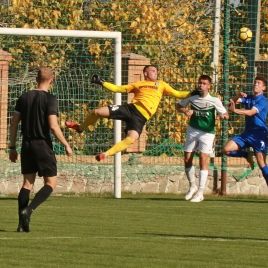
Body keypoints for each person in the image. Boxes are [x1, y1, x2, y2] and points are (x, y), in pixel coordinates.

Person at [66, 65, 196, 161]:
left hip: (141, 118)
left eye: (156, 71)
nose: (155, 72)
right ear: (145, 73)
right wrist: (101, 82)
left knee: (131, 139)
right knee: (97, 112)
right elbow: (119, 88)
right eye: (152, 70)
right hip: (130, 109)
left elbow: (178, 94)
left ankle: (105, 154)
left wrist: (192, 93)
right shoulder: (138, 84)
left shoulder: (161, 84)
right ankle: (80, 128)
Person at [9, 67, 73, 232]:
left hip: (27, 145)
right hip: (42, 145)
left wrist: (12, 147)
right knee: (50, 183)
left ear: (36, 79)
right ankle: (28, 211)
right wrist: (66, 144)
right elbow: (53, 125)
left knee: (27, 184)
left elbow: (14, 122)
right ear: (52, 80)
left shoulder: (24, 97)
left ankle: (21, 225)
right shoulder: (50, 99)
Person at [177, 75, 228, 202]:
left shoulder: (215, 100)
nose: (201, 85)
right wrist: (185, 111)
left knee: (203, 158)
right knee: (187, 158)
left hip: (207, 133)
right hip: (192, 130)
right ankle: (192, 186)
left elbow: (225, 114)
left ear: (209, 86)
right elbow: (178, 105)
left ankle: (200, 192)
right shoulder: (192, 97)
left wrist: (223, 116)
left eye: (204, 83)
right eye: (200, 83)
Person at [223, 76, 268, 184]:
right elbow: (231, 103)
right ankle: (246, 155)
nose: (255, 84)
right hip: (247, 134)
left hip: (260, 135)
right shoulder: (249, 98)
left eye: (259, 83)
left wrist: (235, 110)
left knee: (262, 164)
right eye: (255, 82)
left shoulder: (264, 101)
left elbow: (251, 112)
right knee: (226, 150)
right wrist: (237, 95)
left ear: (264, 88)